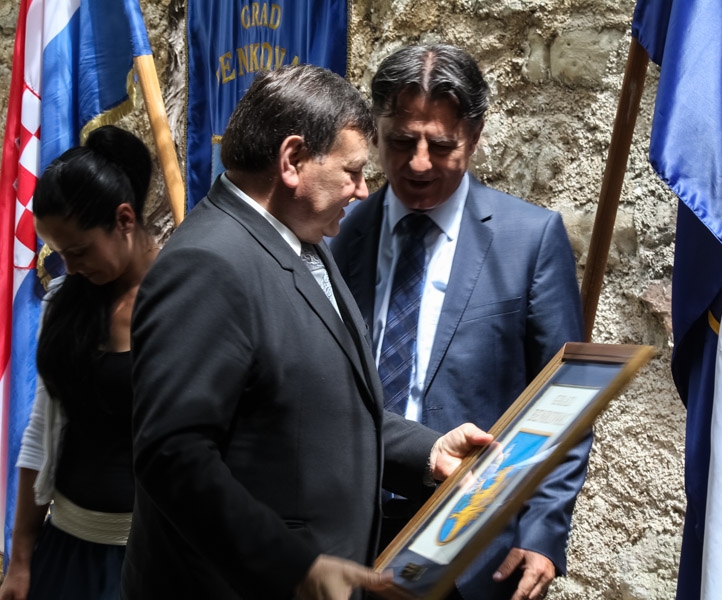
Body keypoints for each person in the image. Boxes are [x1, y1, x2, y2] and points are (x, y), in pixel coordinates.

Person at [121, 64, 491, 600]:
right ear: (292, 160)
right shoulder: (208, 265)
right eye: (352, 171)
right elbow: (173, 456)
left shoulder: (299, 239)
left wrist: (428, 452)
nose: (363, 190)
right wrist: (294, 566)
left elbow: (316, 410)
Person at [330, 44, 590, 600]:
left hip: (473, 548)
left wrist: (543, 531)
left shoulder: (529, 240)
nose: (419, 163)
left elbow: (564, 401)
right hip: (352, 536)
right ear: (375, 132)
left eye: (441, 145)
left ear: (474, 135)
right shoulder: (339, 233)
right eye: (402, 142)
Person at [0, 126, 157, 600]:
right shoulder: (65, 303)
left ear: (124, 219)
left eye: (80, 251)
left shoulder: (181, 302)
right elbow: (41, 433)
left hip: (151, 562)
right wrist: (20, 559)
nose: (70, 267)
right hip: (65, 555)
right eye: (60, 254)